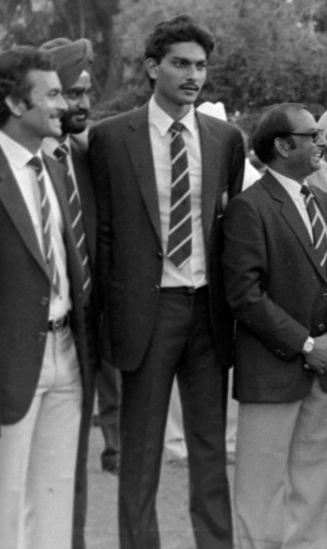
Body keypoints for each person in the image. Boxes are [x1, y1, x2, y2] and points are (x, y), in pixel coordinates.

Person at [88, 15, 244, 549]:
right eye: (180, 63)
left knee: (209, 451)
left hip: (206, 311)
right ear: (153, 67)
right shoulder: (109, 138)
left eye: (200, 65)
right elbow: (99, 235)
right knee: (141, 454)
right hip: (145, 315)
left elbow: (229, 227)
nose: (193, 75)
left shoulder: (225, 139)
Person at [222, 103, 327, 548]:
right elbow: (245, 294)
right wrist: (305, 344)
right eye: (312, 134)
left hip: (322, 368)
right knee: (261, 484)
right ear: (282, 145)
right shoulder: (249, 208)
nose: (323, 142)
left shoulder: (322, 201)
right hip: (273, 370)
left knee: (313, 478)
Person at [0, 45, 92, 549]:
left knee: (54, 499)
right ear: (16, 105)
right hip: (12, 362)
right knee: (6, 503)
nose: (64, 104)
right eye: (53, 94)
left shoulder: (54, 167)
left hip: (67, 356)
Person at [36, 36, 115, 549]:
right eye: (69, 93)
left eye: (87, 92)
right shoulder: (19, 162)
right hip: (28, 340)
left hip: (83, 337)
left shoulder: (87, 158)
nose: (81, 104)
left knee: (71, 473)